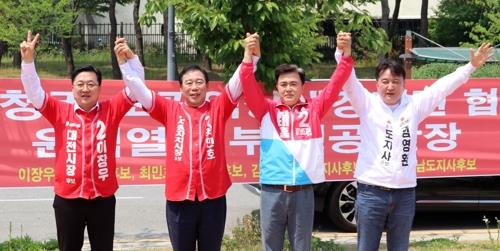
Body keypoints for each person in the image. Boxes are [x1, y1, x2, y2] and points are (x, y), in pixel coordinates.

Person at [334, 33, 494, 251]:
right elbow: (349, 81)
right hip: (371, 193)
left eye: (396, 82)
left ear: (404, 84)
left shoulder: (414, 105)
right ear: (376, 84)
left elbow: (443, 87)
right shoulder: (366, 103)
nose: (390, 87)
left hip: (404, 193)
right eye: (385, 81)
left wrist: (471, 66)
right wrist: (345, 52)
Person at [114, 36, 260, 251]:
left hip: (213, 198)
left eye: (199, 82)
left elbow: (238, 82)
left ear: (207, 87)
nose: (194, 87)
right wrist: (126, 62)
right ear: (181, 88)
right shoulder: (169, 110)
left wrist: (250, 57)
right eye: (189, 83)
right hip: (179, 199)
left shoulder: (218, 107)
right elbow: (138, 90)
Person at [20, 31, 138, 251]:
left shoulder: (111, 109)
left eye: (91, 84)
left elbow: (136, 87)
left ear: (99, 88)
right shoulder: (59, 111)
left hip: (102, 199)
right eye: (80, 84)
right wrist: (28, 61)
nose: (85, 89)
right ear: (72, 87)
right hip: (67, 199)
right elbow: (34, 92)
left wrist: (129, 59)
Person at [240, 33, 354, 251]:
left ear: (303, 87)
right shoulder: (266, 110)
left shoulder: (314, 109)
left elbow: (336, 83)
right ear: (277, 88)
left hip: (303, 191)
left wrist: (344, 54)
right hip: (272, 191)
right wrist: (249, 56)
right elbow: (247, 83)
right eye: (283, 84)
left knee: (302, 246)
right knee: (270, 246)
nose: (288, 88)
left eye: (294, 83)